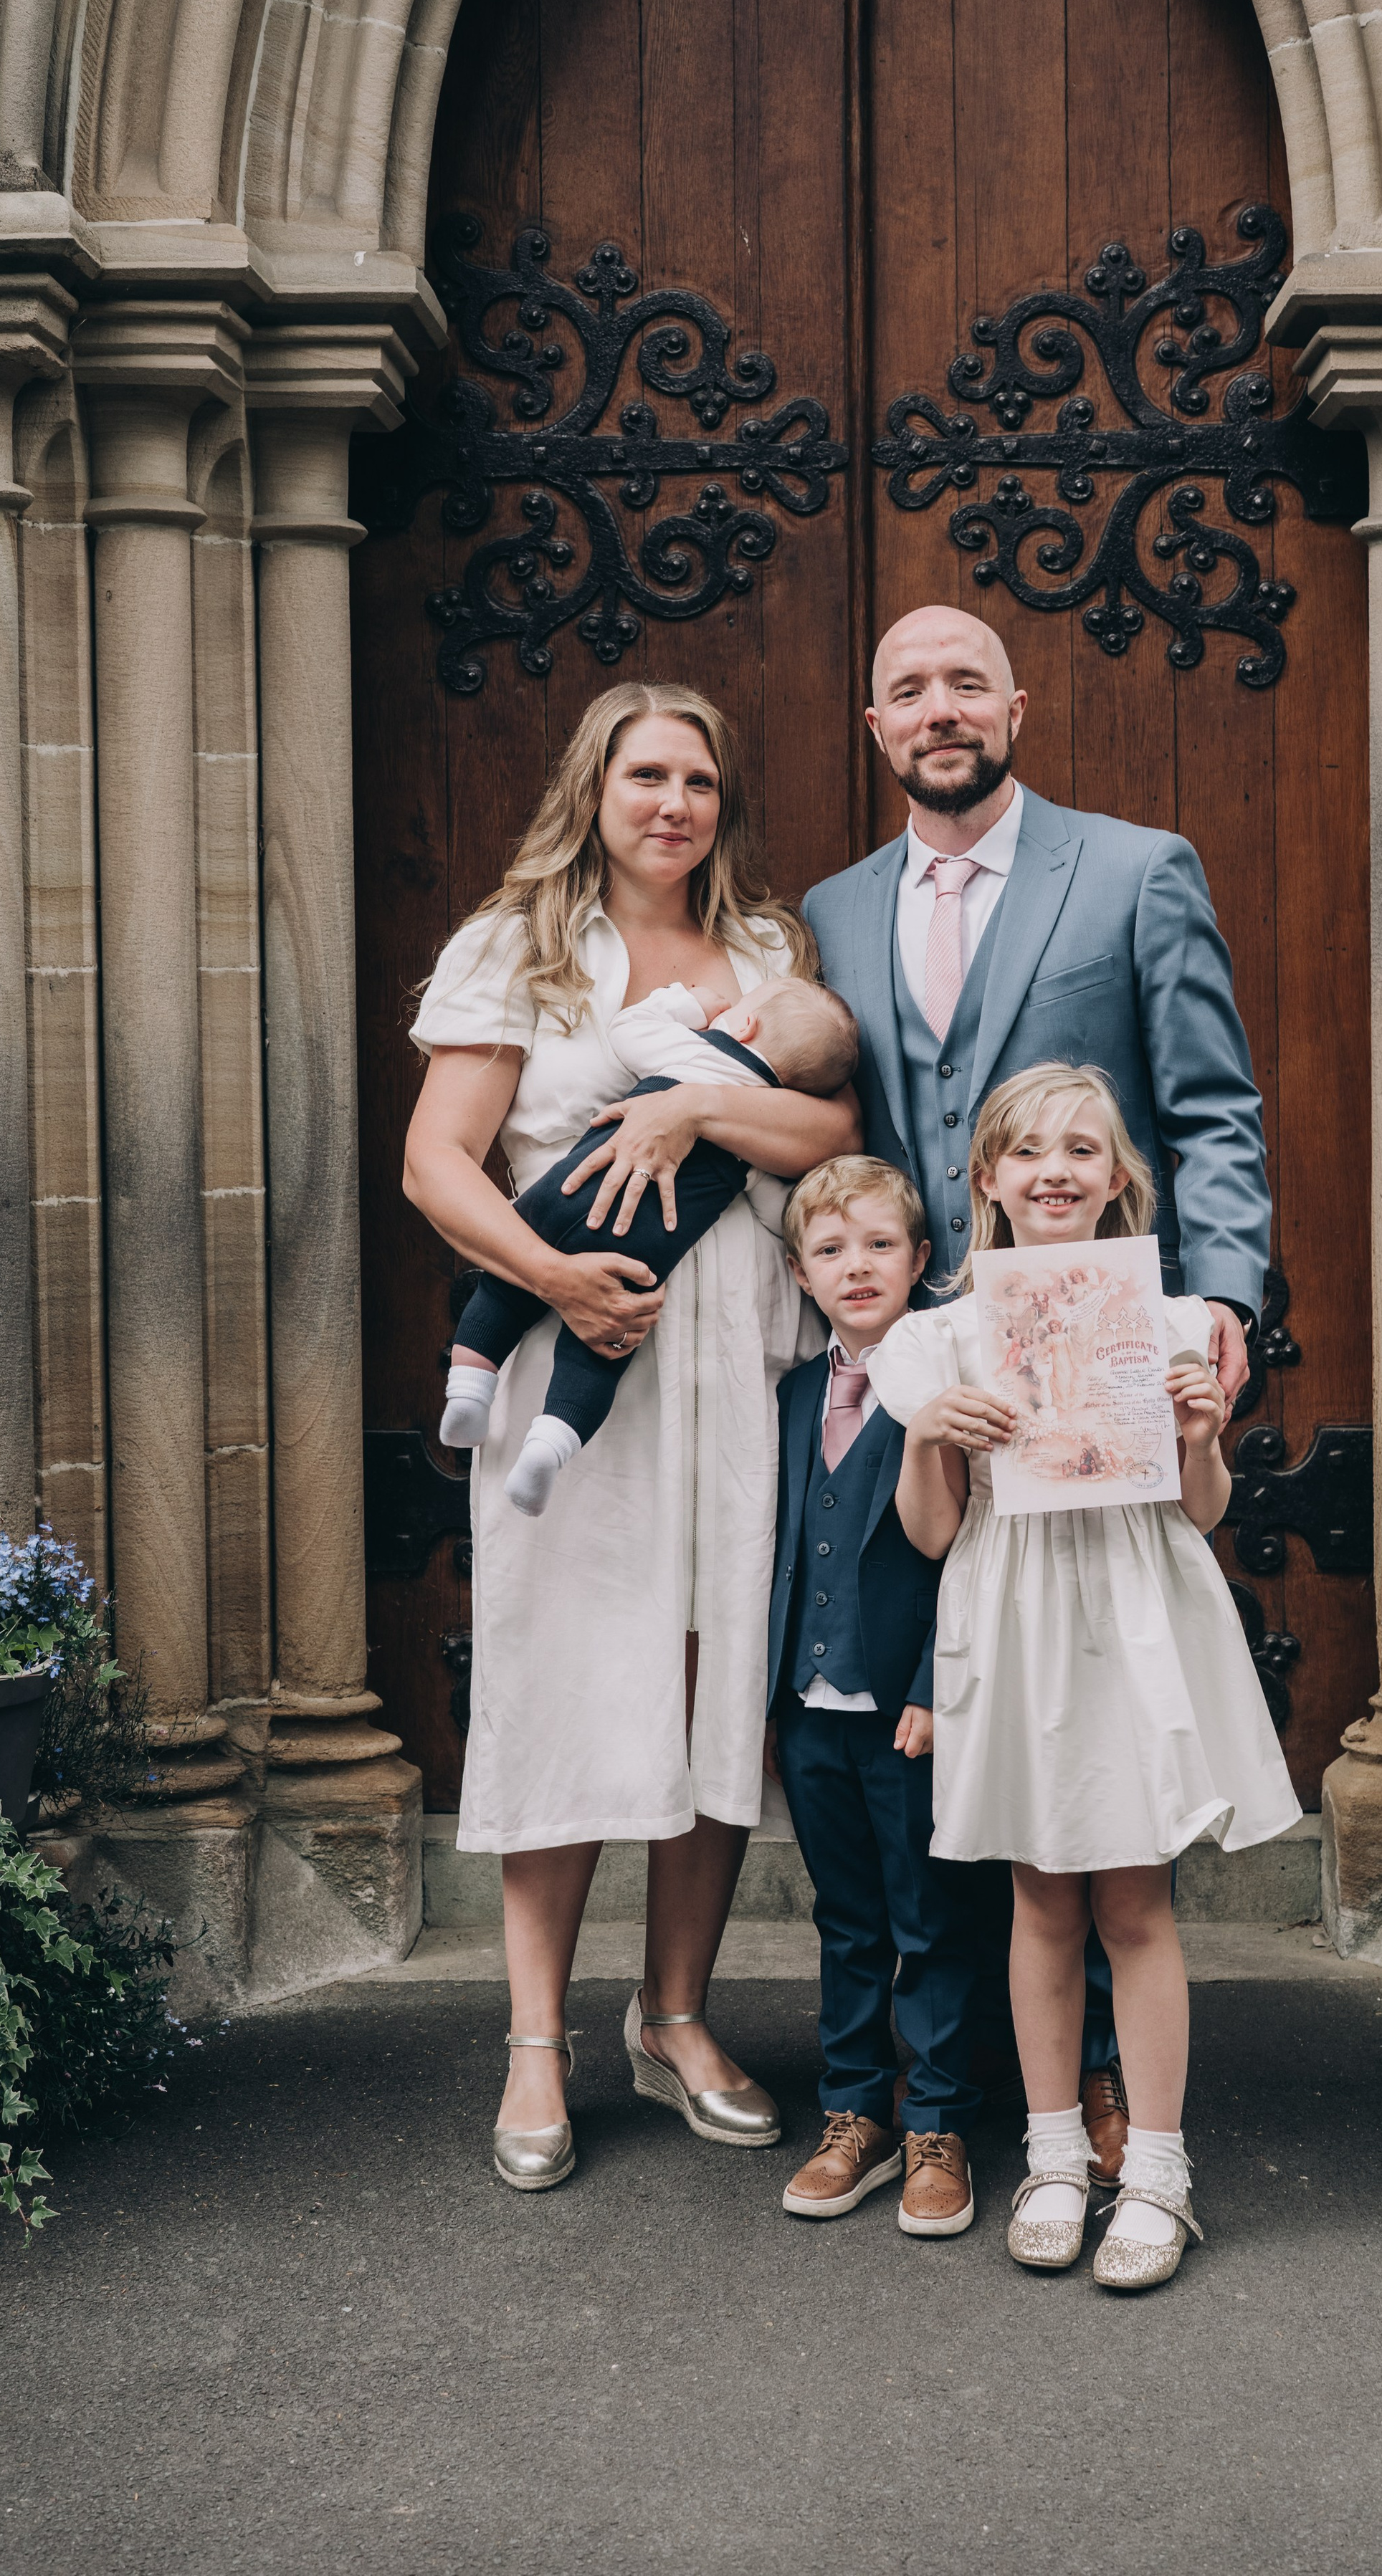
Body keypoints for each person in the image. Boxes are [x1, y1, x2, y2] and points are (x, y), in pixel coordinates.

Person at [803, 603, 1273, 2183]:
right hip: (925, 1378)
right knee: (934, 1723)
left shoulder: (1135, 871)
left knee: (1092, 1704)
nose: (938, 709)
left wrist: (1222, 1302)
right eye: (908, 689)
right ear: (877, 726)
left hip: (1098, 1367)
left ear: (1015, 707)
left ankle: (1114, 2092)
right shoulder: (833, 911)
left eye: (964, 683)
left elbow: (1208, 1108)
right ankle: (933, 2098)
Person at [404, 681, 859, 2192]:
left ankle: (674, 2017)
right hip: (576, 1351)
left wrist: (693, 1116)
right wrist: (553, 1281)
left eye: (700, 782)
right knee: (566, 1676)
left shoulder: (768, 953)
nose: (675, 805)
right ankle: (535, 2040)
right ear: (591, 792)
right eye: (647, 776)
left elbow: (832, 1135)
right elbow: (437, 1162)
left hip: (736, 1363)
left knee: (710, 1678)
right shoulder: (521, 947)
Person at [868, 1063, 1300, 2288]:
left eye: (1081, 1151)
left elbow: (1200, 1511)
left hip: (1134, 1617)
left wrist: (1202, 1434)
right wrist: (929, 1436)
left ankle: (1157, 2169)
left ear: (1118, 1180)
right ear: (986, 1180)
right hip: (1015, 1615)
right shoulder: (938, 1340)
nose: (1053, 1171)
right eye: (1027, 1151)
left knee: (1136, 1902)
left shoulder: (1170, 1323)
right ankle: (1055, 2155)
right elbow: (933, 1535)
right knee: (1043, 1898)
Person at [766, 1155, 981, 2240]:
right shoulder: (793, 1395)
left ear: (922, 1260)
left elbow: (969, 1551)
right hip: (808, 1709)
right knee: (846, 1919)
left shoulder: (948, 1386)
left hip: (907, 1710)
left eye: (880, 1245)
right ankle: (857, 2111)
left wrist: (936, 1685)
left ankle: (938, 2120)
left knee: (927, 1919)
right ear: (800, 1274)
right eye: (831, 1249)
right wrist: (767, 1696)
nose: (857, 1266)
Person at [439, 972, 859, 1515]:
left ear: (744, 1025)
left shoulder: (689, 1051)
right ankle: (549, 1447)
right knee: (599, 1353)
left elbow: (630, 1027)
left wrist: (689, 1003)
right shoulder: (759, 1127)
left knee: (502, 1292)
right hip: (639, 1257)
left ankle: (469, 1391)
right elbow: (776, 1214)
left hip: (566, 1200)